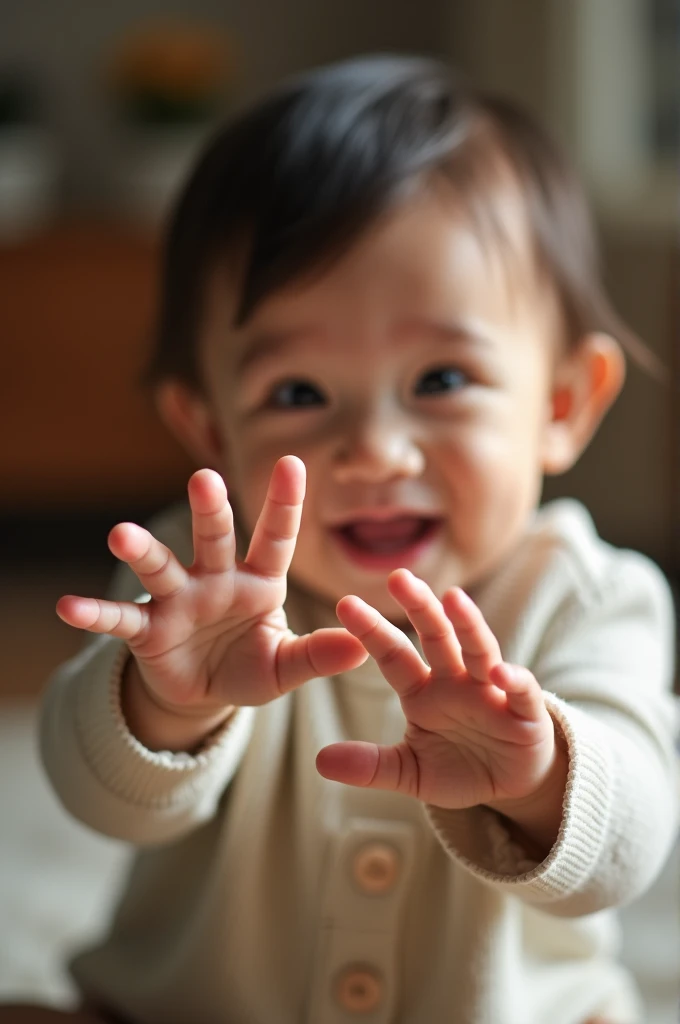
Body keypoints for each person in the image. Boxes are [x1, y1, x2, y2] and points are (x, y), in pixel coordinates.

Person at [5, 55, 678, 1024]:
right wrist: (162, 702)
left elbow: (627, 848)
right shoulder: (196, 588)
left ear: (562, 404)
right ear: (207, 426)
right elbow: (99, 798)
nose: (370, 449)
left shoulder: (590, 595)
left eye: (440, 380)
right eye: (297, 393)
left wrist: (539, 773)